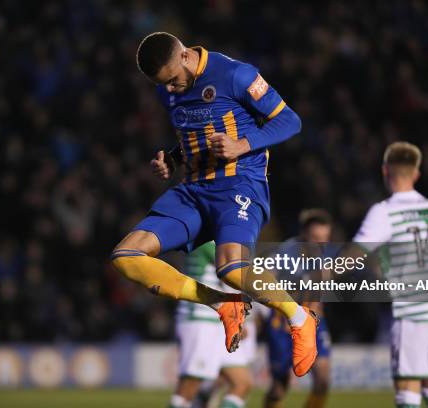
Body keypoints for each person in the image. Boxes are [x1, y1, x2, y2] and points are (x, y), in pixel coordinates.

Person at [111, 31, 317, 377]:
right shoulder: (170, 87)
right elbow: (195, 132)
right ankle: (221, 304)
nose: (171, 90)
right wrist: (173, 159)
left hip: (240, 185)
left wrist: (241, 145)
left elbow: (289, 121)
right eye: (164, 86)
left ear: (185, 57)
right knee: (126, 257)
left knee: (231, 267)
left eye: (174, 81)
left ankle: (300, 318)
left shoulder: (236, 75)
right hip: (193, 191)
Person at [352, 142, 428, 408]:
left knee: (408, 388)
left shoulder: (385, 211)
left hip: (413, 310)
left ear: (385, 170)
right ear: (417, 174)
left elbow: (355, 253)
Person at [170, 242, 256, 408]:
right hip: (199, 319)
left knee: (242, 383)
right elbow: (231, 273)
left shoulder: (219, 240)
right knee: (188, 388)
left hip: (218, 321)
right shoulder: (206, 242)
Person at [264, 209, 333, 408]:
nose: (321, 244)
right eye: (316, 238)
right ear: (303, 236)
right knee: (280, 385)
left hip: (312, 319)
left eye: (325, 238)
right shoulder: (285, 253)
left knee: (323, 380)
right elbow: (263, 282)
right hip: (283, 320)